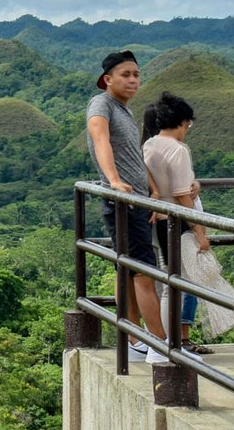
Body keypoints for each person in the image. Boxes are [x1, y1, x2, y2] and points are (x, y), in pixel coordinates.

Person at [86, 51, 186, 365]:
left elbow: (132, 155)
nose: (133, 80)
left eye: (136, 75)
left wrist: (153, 190)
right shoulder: (101, 104)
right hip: (123, 203)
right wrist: (113, 180)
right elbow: (99, 138)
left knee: (128, 270)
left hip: (137, 201)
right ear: (108, 79)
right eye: (126, 74)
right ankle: (159, 344)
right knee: (144, 272)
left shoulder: (125, 111)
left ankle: (134, 339)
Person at [142, 93, 213, 355]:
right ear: (182, 122)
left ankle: (163, 343)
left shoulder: (150, 144)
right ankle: (169, 346)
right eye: (188, 125)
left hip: (158, 219)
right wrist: (200, 232)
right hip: (177, 222)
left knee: (167, 283)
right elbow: (184, 195)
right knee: (176, 286)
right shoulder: (178, 149)